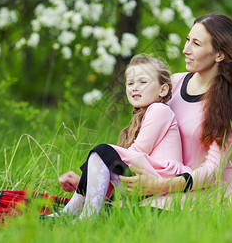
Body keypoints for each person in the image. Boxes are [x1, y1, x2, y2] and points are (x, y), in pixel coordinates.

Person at [60, 13, 232, 210]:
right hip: (162, 183)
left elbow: (213, 171)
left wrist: (159, 185)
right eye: (188, 39)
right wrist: (93, 180)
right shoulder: (174, 83)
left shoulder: (230, 103)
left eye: (196, 43)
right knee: (121, 209)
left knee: (136, 213)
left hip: (207, 193)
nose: (186, 49)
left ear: (219, 54)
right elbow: (145, 146)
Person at [51, 54, 188, 219]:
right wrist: (88, 178)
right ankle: (70, 212)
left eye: (143, 82)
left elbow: (137, 153)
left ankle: (84, 217)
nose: (135, 87)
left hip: (160, 179)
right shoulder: (141, 118)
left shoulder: (160, 110)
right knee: (101, 156)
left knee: (102, 152)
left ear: (163, 89)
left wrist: (99, 163)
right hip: (146, 178)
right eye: (130, 83)